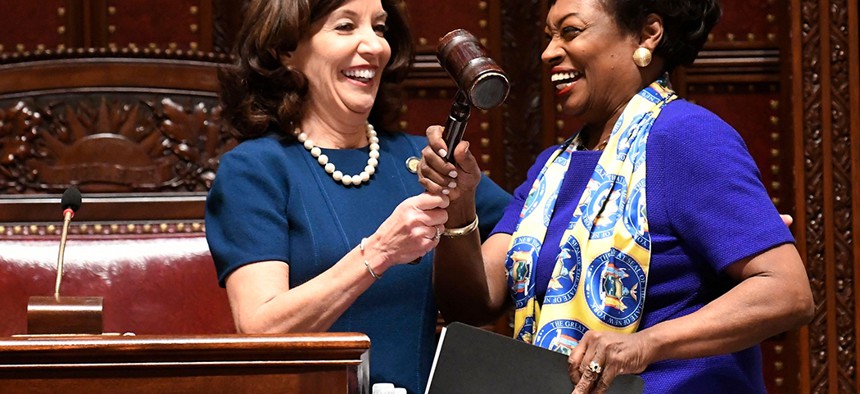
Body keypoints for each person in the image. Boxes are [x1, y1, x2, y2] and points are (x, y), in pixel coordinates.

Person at [418, 0, 814, 393]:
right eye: (548, 37)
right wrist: (458, 199)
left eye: (570, 32)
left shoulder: (687, 137)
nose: (549, 52)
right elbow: (473, 303)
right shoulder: (552, 168)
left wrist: (646, 344)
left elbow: (786, 291)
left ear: (648, 34)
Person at [204, 0, 512, 392]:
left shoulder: (421, 160)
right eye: (346, 26)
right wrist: (380, 251)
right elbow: (260, 328)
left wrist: (464, 232)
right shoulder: (254, 169)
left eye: (380, 28)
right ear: (284, 50)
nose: (374, 46)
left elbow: (526, 218)